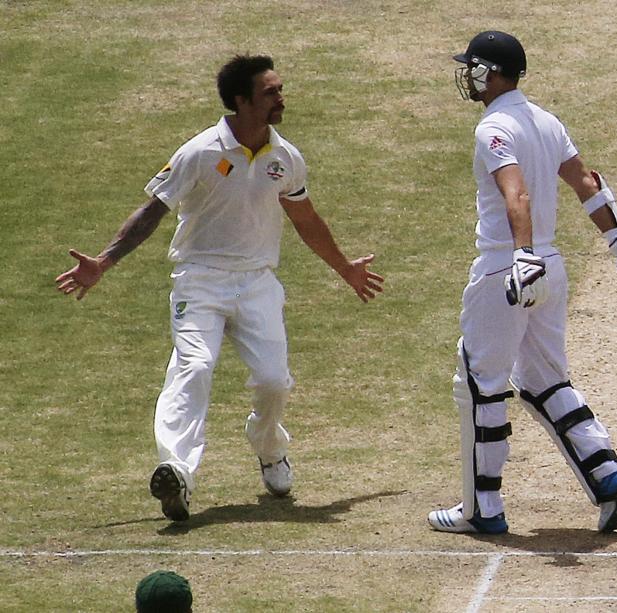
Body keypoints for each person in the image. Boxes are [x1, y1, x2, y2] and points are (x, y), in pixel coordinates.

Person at [56, 55, 384, 522]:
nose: (280, 98)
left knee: (274, 381)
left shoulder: (285, 158)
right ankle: (177, 470)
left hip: (257, 284)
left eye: (279, 89)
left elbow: (306, 220)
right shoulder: (200, 152)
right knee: (195, 366)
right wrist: (105, 261)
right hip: (200, 280)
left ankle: (270, 449)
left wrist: (345, 268)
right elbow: (154, 210)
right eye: (270, 92)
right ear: (240, 100)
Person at [427, 31, 617, 535]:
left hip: (507, 272)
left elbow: (516, 196)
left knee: (479, 384)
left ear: (489, 72)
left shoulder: (493, 127)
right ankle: (606, 473)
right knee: (544, 381)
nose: (467, 75)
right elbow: (587, 181)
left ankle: (481, 510)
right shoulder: (545, 120)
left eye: (472, 67)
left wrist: (521, 255)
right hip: (550, 270)